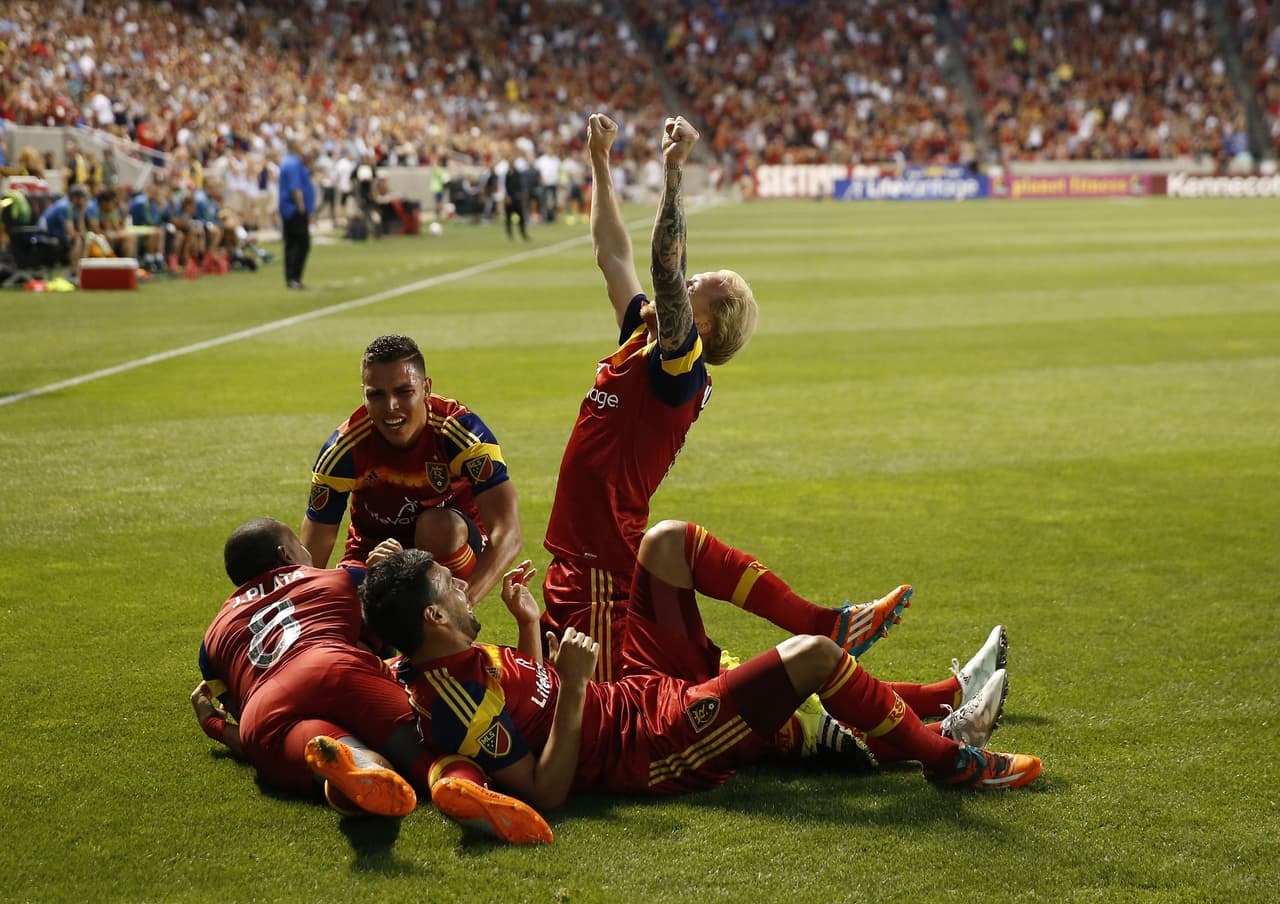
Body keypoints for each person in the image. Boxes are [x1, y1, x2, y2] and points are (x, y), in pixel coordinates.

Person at [360, 519, 1041, 815]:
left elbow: (528, 699)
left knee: (665, 545)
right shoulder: (452, 703)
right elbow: (544, 790)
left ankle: (856, 641)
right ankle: (945, 756)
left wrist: (530, 626)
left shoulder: (449, 656)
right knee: (812, 663)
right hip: (655, 746)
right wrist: (573, 688)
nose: (463, 588)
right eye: (453, 589)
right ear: (434, 621)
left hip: (632, 691)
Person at [540, 113, 765, 680]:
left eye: (698, 291)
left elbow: (666, 270)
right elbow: (611, 255)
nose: (687, 287)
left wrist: (672, 171)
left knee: (647, 704)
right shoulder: (647, 344)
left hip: (603, 564)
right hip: (583, 557)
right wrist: (599, 159)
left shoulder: (679, 364)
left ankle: (858, 715)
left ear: (705, 328)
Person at [193, 517, 426, 816]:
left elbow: (244, 726)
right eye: (301, 546)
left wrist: (216, 726)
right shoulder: (344, 578)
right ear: (285, 555)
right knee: (430, 755)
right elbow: (424, 631)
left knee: (328, 750)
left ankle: (361, 765)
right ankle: (445, 774)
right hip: (333, 669)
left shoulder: (210, 643)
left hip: (264, 711)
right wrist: (399, 568)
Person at [300, 334, 522, 608]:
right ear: (363, 394)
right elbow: (312, 557)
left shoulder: (460, 433)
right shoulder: (344, 451)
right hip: (376, 554)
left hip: (447, 550)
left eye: (403, 391)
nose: (390, 406)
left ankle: (436, 614)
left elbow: (508, 531)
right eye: (376, 394)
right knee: (350, 622)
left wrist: (466, 599)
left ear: (426, 388)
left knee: (439, 527)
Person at [278, 138, 315, 289]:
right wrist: (301, 207)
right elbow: (295, 187)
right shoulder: (292, 163)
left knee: (295, 243)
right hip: (293, 209)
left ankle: (293, 278)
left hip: (291, 208)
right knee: (300, 243)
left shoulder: (292, 162)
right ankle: (293, 277)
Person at [35, 183, 89, 280]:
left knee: (84, 239)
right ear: (75, 198)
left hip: (56, 236)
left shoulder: (74, 207)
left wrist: (82, 212)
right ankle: (74, 274)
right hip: (45, 237)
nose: (85, 201)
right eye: (83, 198)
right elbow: (71, 233)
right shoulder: (65, 207)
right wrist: (81, 235)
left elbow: (82, 230)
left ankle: (81, 272)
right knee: (77, 240)